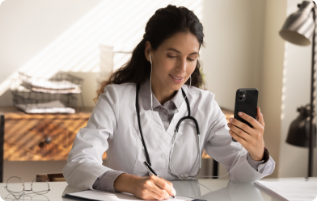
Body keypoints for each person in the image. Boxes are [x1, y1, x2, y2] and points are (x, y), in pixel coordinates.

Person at [63, 5, 275, 200]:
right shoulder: (116, 98)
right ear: (149, 51)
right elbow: (78, 164)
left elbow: (241, 175)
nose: (182, 69)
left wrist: (256, 154)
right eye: (173, 55)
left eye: (191, 58)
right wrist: (132, 183)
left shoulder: (205, 105)